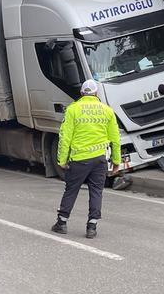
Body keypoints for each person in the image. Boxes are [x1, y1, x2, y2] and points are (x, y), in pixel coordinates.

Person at [51, 79, 121, 239]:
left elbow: (65, 137)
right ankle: (92, 226)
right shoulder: (107, 110)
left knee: (71, 190)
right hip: (99, 159)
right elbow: (115, 138)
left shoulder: (73, 109)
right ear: (96, 93)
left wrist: (62, 160)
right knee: (96, 191)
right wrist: (116, 161)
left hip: (79, 159)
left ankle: (61, 223)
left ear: (82, 93)